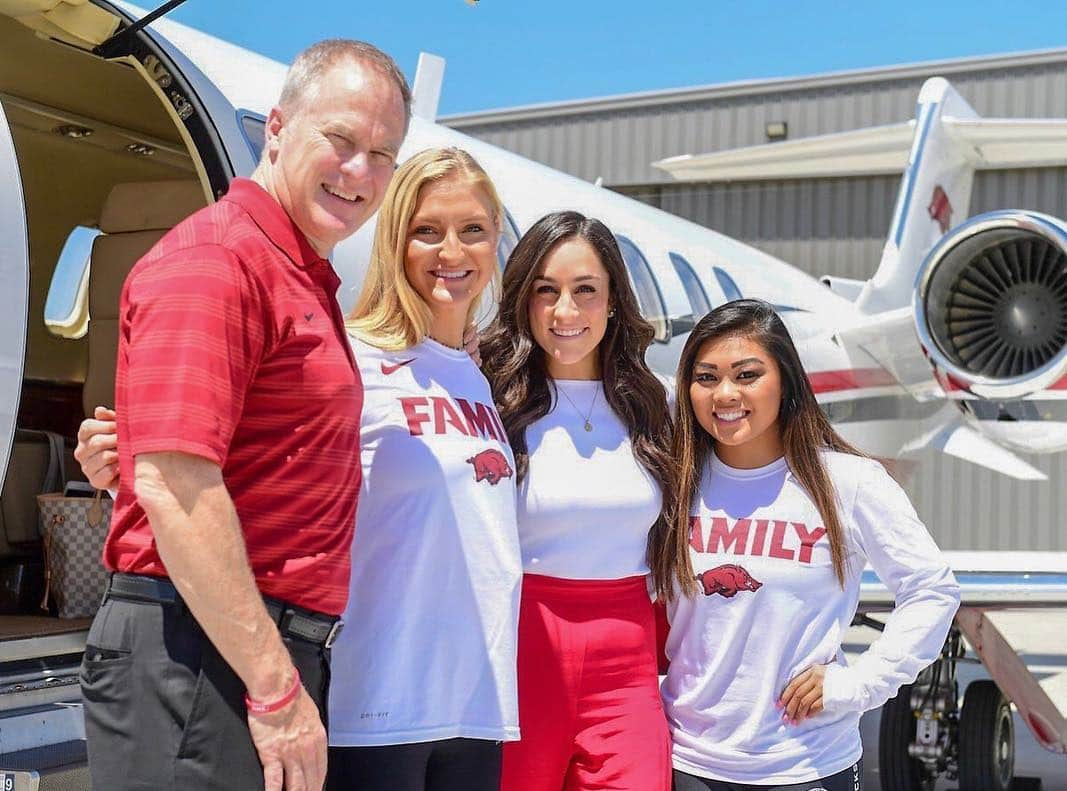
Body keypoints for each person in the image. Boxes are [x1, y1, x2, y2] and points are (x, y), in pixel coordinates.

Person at [76, 40, 410, 791]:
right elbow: (175, 483)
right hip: (203, 655)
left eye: (382, 154)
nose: (360, 171)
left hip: (244, 646)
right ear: (278, 128)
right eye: (342, 140)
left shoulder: (293, 269)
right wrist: (275, 685)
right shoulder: (221, 260)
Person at [656, 299, 961, 791]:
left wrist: (860, 685)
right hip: (690, 763)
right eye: (706, 377)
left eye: (747, 374)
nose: (725, 393)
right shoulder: (672, 484)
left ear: (786, 381)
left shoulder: (849, 482)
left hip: (807, 767)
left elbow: (932, 590)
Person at [324, 147, 522, 791]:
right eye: (427, 230)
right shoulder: (354, 359)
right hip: (375, 700)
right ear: (395, 240)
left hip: (475, 702)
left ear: (495, 241)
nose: (452, 252)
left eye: (473, 230)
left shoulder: (479, 377)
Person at [480, 211, 676, 791]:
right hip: (521, 655)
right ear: (524, 300)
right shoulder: (489, 396)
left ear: (613, 300)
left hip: (628, 664)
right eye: (546, 290)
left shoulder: (652, 403)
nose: (565, 312)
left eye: (585, 290)